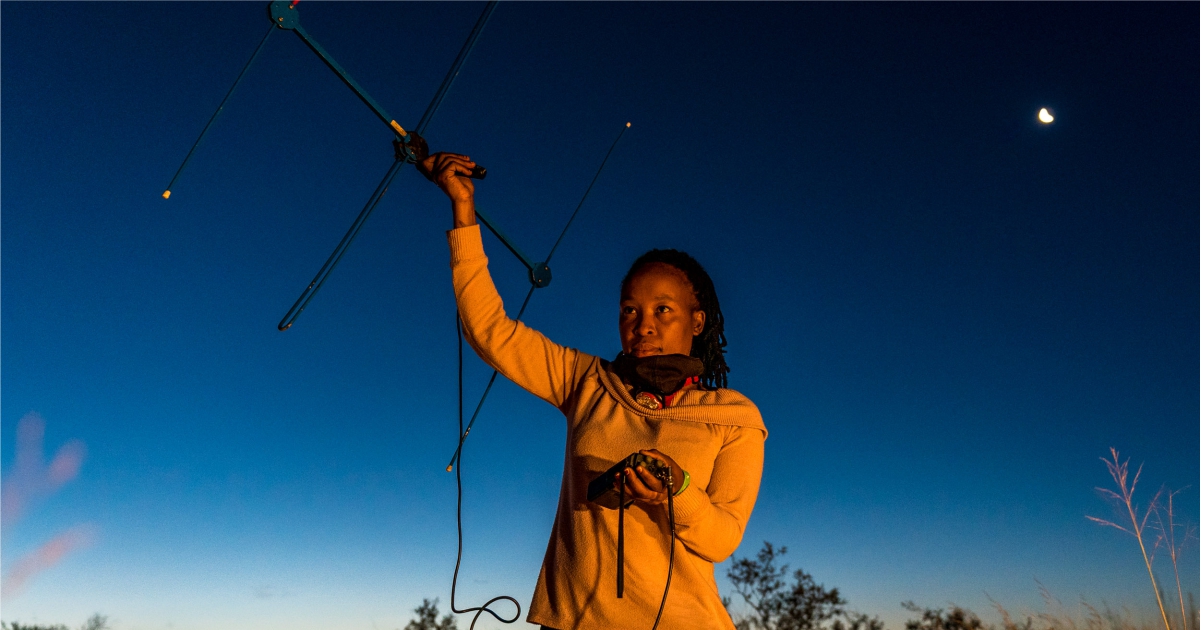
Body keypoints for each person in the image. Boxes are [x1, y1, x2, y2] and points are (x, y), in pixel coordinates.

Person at [421, 151, 766, 630]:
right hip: (572, 621)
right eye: (630, 310)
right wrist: (463, 211)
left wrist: (676, 488)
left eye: (663, 309)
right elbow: (489, 331)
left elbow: (721, 539)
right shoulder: (587, 381)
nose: (643, 325)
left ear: (698, 320)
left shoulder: (732, 415)